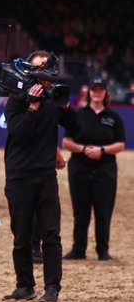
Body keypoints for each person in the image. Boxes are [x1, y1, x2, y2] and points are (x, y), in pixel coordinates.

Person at [2, 50, 79, 302]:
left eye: (45, 70)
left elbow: (77, 128)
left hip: (45, 175)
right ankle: (24, 286)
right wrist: (33, 108)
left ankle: (52, 287)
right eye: (36, 68)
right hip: (18, 175)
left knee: (51, 234)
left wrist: (66, 108)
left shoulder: (53, 100)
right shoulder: (16, 99)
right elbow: (19, 133)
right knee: (21, 235)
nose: (41, 75)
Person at [61, 77, 126, 261]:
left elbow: (120, 144)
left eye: (100, 89)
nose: (97, 92)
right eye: (94, 89)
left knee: (103, 210)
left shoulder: (113, 117)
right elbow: (66, 141)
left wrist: (102, 150)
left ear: (105, 93)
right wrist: (84, 149)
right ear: (89, 92)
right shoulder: (78, 114)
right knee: (80, 211)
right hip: (80, 168)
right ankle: (78, 249)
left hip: (105, 169)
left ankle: (102, 250)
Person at [31, 147, 66, 263]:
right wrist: (57, 154)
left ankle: (33, 248)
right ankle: (37, 248)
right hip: (41, 166)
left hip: (20, 166)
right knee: (43, 207)